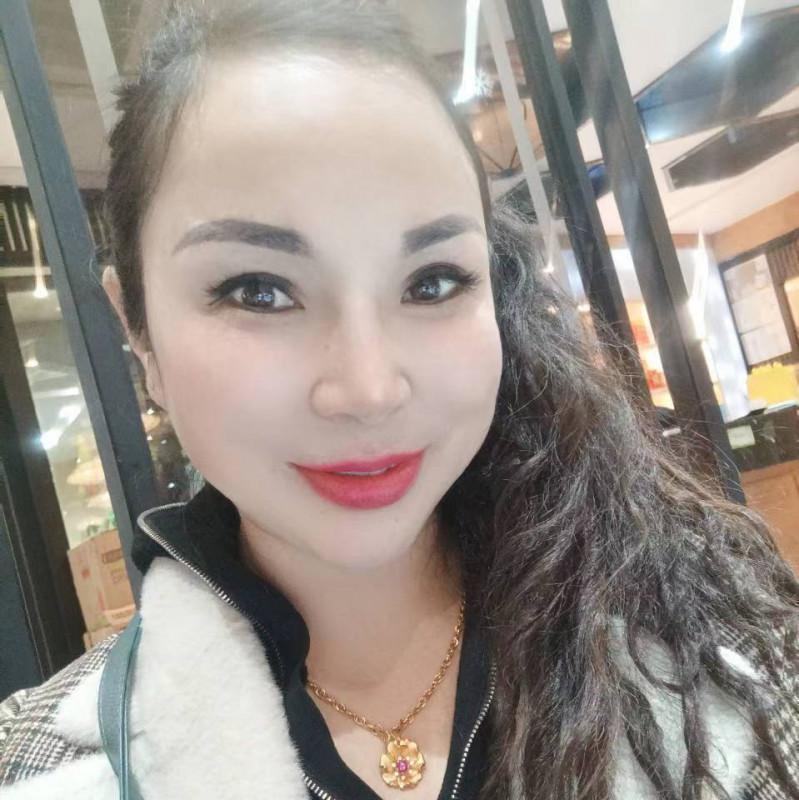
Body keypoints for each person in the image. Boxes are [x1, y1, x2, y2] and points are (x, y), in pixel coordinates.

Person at [1, 2, 797, 799]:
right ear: (137, 331)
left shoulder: (724, 666)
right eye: (258, 290)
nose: (368, 389)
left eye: (433, 282)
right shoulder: (37, 765)